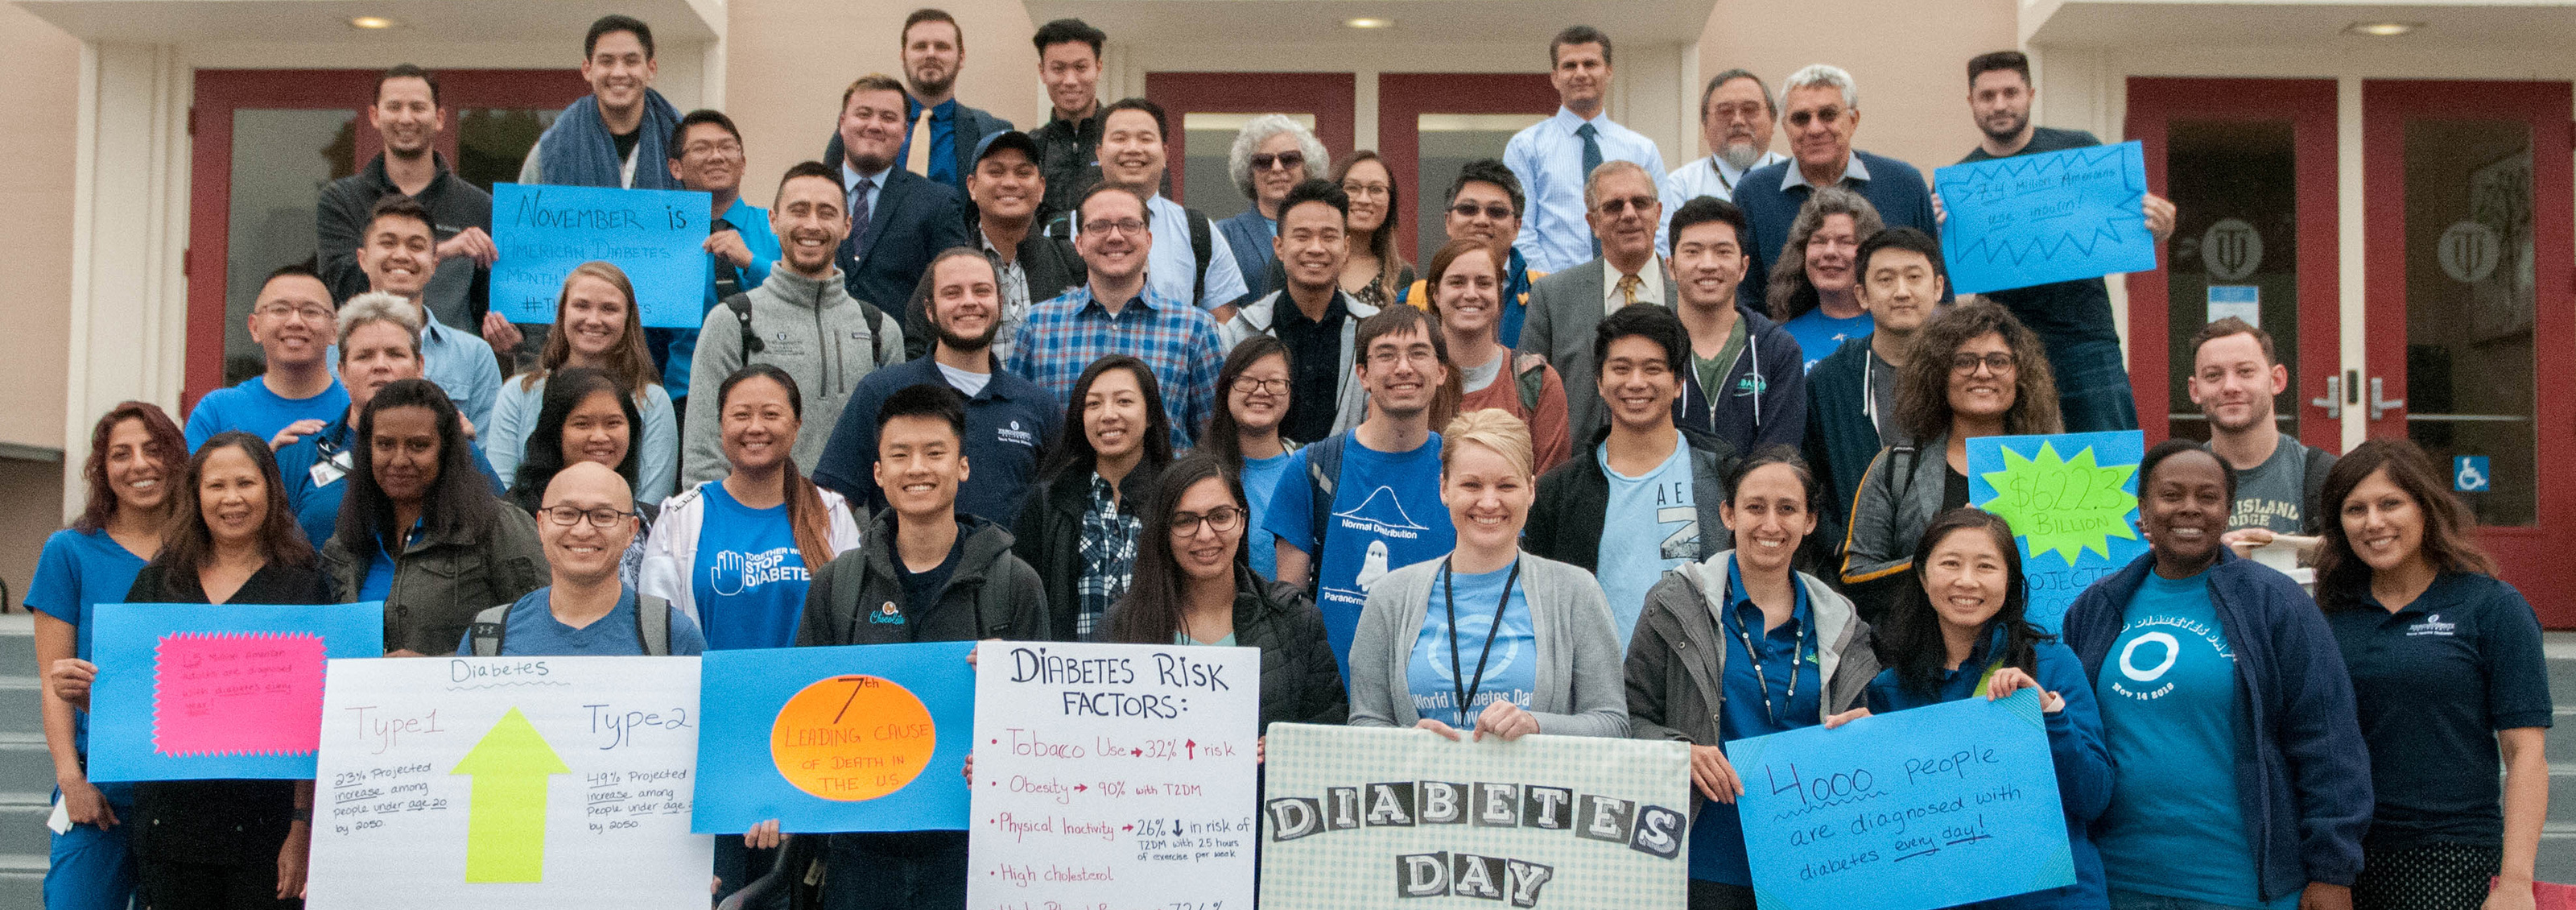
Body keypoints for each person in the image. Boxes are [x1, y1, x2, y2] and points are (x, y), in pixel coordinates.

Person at [2062, 440, 2370, 910]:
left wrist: (2333, 870)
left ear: (2227, 512)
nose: (2189, 508)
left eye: (2208, 497)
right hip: (2118, 880)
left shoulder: (2274, 604)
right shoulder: (2096, 607)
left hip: (2241, 886)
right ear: (2142, 509)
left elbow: (2327, 741)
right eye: (2171, 495)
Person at [781, 385, 1047, 910]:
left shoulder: (1014, 585)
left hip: (976, 852)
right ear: (878, 473)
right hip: (859, 853)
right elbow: (800, 715)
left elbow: (1042, 733)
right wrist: (772, 799)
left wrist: (1006, 740)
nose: (917, 468)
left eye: (934, 453)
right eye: (899, 455)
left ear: (963, 467)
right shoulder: (838, 585)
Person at [48, 432, 329, 910]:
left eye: (246, 483)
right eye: (216, 486)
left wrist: (301, 826)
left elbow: (313, 724)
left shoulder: (305, 585)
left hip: (267, 827)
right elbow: (136, 710)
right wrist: (82, 695)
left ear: (271, 490)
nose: (232, 499)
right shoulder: (160, 581)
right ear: (195, 496)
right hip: (169, 827)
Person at [1625, 449, 1878, 910]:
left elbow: (1866, 736)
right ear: (1728, 514)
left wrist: (1863, 731)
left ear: (1810, 521)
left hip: (1810, 857)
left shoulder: (1843, 625)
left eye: (1788, 509)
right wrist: (1679, 750)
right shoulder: (1673, 604)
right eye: (1755, 507)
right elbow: (1630, 718)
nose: (1770, 525)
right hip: (1701, 858)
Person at [2312, 439, 2549, 910]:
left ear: (2426, 507)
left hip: (2452, 856)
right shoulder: (2325, 617)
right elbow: (2312, 747)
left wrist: (2516, 882)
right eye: (2355, 509)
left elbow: (2526, 753)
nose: (2373, 522)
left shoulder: (2492, 607)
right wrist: (2323, 869)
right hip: (2345, 861)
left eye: (2390, 503)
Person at [1864, 508, 2112, 910]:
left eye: (1986, 566)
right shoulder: (1890, 689)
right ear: (1924, 578)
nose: (1967, 581)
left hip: (2053, 898)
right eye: (1950, 564)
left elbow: (2094, 798)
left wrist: (2049, 713)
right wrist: (1859, 748)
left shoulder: (2051, 665)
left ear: (2010, 582)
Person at [1344, 407, 1625, 740]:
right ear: (1445, 489)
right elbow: (1364, 723)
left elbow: (1613, 724)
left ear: (1531, 490)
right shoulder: (1390, 597)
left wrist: (1537, 725)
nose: (1489, 502)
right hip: (1419, 789)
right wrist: (1406, 740)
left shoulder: (1576, 592)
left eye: (1506, 486)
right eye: (1472, 485)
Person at [1949, 50, 2174, 434]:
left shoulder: (2079, 150)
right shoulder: (1958, 183)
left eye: (2010, 92)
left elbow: (2128, 227)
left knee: (2109, 466)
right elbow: (1945, 276)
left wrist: (2159, 226)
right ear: (1971, 102)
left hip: (2085, 340)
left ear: (2031, 94)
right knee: (2021, 468)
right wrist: (1944, 230)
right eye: (1987, 96)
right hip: (2006, 347)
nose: (2000, 105)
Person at [33, 403, 183, 910]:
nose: (140, 464)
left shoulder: (204, 549)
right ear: (102, 468)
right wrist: (70, 779)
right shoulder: (70, 551)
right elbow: (53, 683)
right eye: (122, 454)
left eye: (154, 449)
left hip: (187, 787)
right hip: (100, 790)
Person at [683, 161, 906, 486]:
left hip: (853, 531)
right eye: (799, 211)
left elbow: (896, 447)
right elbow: (704, 454)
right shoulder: (732, 322)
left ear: (847, 226)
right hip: (757, 527)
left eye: (826, 212)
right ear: (773, 220)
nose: (812, 225)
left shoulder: (881, 331)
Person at [1265, 305, 1458, 677]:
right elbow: (1286, 613)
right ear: (1363, 375)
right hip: (1332, 700)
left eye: (1418, 353)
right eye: (1386, 355)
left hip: (1436, 697)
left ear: (1442, 371)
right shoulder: (1312, 469)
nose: (1404, 367)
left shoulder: (1466, 473)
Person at [1525, 304, 1734, 643]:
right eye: (1620, 368)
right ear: (1599, 381)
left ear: (1679, 381)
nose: (1636, 383)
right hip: (1596, 687)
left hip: (1698, 684)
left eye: (1652, 369)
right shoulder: (1559, 493)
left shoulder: (1723, 476)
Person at [1840, 301, 2060, 619]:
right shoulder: (1896, 466)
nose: (1982, 372)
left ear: (2020, 374)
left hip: (2028, 654)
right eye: (1965, 361)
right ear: (1938, 374)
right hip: (1921, 658)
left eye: (1998, 361)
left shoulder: (2059, 469)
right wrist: (1940, 552)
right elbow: (1855, 580)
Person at [815, 248, 1061, 527]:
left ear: (1000, 304)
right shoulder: (882, 391)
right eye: (952, 293)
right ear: (930, 311)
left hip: (1011, 570)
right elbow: (833, 502)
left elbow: (1056, 515)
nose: (969, 302)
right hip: (900, 570)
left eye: (981, 291)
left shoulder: (1038, 406)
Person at [1105, 453, 1346, 734]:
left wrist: (1287, 749)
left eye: (1221, 517)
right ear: (1164, 530)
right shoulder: (1122, 625)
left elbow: (1331, 733)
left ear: (1243, 521)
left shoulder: (1295, 618)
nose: (1205, 535)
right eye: (1185, 521)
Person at [320, 378, 546, 656]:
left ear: (446, 450)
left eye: (418, 446)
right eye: (385, 444)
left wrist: (437, 668)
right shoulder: (350, 533)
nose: (399, 460)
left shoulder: (496, 525)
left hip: (467, 697)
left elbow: (542, 630)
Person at [646, 364, 862, 650]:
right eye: (741, 415)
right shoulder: (681, 515)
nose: (756, 427)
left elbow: (851, 625)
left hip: (807, 693)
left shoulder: (830, 511)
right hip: (708, 691)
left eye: (771, 414)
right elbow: (657, 630)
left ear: (796, 426)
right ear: (721, 425)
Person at [280, 292, 506, 552]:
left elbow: (502, 538)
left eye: (395, 354)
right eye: (364, 356)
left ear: (419, 366)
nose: (380, 366)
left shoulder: (457, 449)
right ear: (342, 371)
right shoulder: (300, 453)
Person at [1006, 183, 1225, 449]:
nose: (1115, 236)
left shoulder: (1195, 328)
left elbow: (1213, 441)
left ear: (1149, 240)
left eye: (1129, 225)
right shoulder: (1039, 326)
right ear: (1079, 243)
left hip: (1165, 490)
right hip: (1064, 489)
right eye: (1099, 226)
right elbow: (1016, 434)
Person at [1731, 64, 1936, 312]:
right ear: (1785, 126)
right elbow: (1745, 299)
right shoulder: (1754, 193)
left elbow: (1937, 292)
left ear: (1853, 121)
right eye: (1801, 118)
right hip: (1786, 347)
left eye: (1828, 115)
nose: (1815, 129)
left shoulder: (1904, 185)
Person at [463, 461, 708, 656]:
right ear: (541, 525)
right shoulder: (490, 637)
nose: (583, 531)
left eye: (603, 516)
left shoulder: (670, 636)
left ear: (631, 531)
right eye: (566, 514)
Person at [316, 64, 494, 331]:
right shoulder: (341, 200)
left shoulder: (478, 205)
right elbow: (343, 284)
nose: (406, 118)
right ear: (375, 116)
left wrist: (505, 332)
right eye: (395, 107)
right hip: (366, 356)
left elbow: (487, 304)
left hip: (450, 364)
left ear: (440, 118)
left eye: (418, 108)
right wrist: (442, 250)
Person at [1013, 356, 1175, 640]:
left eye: (1124, 401)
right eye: (1093, 404)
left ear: (1150, 415)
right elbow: (1019, 599)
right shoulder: (1049, 500)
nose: (1108, 414)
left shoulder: (1176, 497)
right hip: (1068, 677)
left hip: (1160, 675)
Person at [487, 262, 678, 503]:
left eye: (609, 309)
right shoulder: (518, 392)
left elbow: (652, 502)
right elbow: (501, 494)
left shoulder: (652, 401)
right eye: (581, 306)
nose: (593, 320)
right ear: (562, 312)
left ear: (629, 317)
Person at [1804, 227, 1942, 551]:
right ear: (1862, 294)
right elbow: (1805, 478)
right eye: (1885, 279)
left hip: (1954, 561)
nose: (1902, 291)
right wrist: (1840, 545)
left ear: (1938, 287)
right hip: (1861, 570)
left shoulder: (1968, 372)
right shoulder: (1830, 380)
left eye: (1914, 277)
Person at [896, 130, 1084, 363]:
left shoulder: (1073, 262)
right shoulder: (946, 270)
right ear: (972, 186)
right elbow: (918, 349)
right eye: (995, 172)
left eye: (1024, 173)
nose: (1010, 183)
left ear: (1041, 187)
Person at [1220, 180, 1377, 445]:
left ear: (1346, 247)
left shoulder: (1372, 330)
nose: (1316, 248)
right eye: (1302, 236)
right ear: (1279, 247)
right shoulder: (1241, 332)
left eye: (1328, 237)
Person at [1519, 159, 1670, 436]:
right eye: (1614, 206)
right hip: (1579, 468)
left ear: (1658, 213)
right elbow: (1527, 398)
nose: (1629, 214)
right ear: (1593, 222)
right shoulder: (1552, 297)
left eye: (1640, 203)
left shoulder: (1686, 291)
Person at [1505, 26, 1668, 273]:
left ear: (1609, 71)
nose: (1580, 73)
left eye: (1590, 64)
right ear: (1554, 77)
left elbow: (1661, 225)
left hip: (1632, 291)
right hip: (1555, 292)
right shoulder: (1526, 147)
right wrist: (1549, 288)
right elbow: (1520, 230)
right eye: (1570, 66)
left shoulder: (1641, 149)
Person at [344, 196, 504, 434]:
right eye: (388, 243)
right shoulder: (331, 353)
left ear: (434, 263)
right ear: (363, 259)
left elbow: (486, 454)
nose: (401, 255)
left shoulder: (474, 356)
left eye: (416, 246)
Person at [654, 110, 780, 404]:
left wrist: (751, 262)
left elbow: (807, 292)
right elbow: (649, 334)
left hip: (771, 393)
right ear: (676, 168)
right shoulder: (660, 243)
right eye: (701, 148)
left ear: (743, 162)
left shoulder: (776, 227)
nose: (716, 156)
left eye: (727, 147)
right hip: (686, 394)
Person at [819, 10, 1013, 197]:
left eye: (942, 47)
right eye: (920, 46)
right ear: (903, 57)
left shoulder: (989, 131)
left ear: (961, 58)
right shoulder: (860, 130)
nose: (931, 54)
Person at [1081, 97, 1249, 314]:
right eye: (1120, 138)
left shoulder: (1198, 231)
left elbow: (1223, 322)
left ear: (1165, 154)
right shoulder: (1066, 230)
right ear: (1099, 153)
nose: (1133, 149)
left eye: (1145, 139)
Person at [831, 72, 973, 318]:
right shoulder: (811, 193)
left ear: (905, 131)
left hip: (903, 352)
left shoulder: (937, 203)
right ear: (842, 123)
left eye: (888, 117)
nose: (874, 125)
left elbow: (952, 290)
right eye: (863, 114)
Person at [1669, 196, 1805, 453]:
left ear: (1743, 267)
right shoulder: (1651, 346)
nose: (1708, 265)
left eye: (1723, 251)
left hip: (1756, 493)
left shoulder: (1777, 350)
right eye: (1692, 251)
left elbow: (1779, 457)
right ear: (1671, 267)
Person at [2192, 317, 2337, 557]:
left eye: (2245, 372)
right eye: (2213, 375)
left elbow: (2354, 555)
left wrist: (2271, 548)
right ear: (2195, 390)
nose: (2230, 386)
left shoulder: (2321, 473)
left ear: (2277, 380)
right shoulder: (2177, 479)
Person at [1422, 238, 1571, 472]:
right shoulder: (1409, 376)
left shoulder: (1537, 382)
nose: (1471, 294)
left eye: (1483, 283)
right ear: (1435, 294)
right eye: (1457, 282)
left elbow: (1549, 489)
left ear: (1499, 293)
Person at [503, 368, 653, 587]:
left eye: (613, 423)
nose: (600, 437)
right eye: (582, 424)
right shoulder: (515, 518)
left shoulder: (653, 523)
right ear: (556, 432)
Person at [185, 264, 349, 450]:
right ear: (254, 328)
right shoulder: (217, 412)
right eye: (280, 310)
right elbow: (196, 479)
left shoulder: (357, 408)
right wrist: (266, 461)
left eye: (311, 311)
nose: (295, 322)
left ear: (335, 330)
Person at [516, 15, 682, 191]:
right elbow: (521, 216)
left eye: (631, 61)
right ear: (587, 70)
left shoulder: (685, 146)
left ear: (651, 69)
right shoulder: (549, 152)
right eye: (607, 61)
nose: (619, 73)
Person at [1399, 159, 1548, 346]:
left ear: (1517, 227)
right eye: (1468, 209)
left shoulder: (1546, 295)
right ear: (1448, 222)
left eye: (1497, 211)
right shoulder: (1414, 299)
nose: (1481, 220)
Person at [1204, 336, 1298, 581]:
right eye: (1247, 381)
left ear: (1290, 392)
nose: (1260, 391)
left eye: (1275, 382)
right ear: (1226, 388)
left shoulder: (1307, 467)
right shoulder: (1200, 471)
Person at [1764, 187, 1884, 370]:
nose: (1830, 252)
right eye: (1819, 241)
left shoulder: (1892, 331)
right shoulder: (1781, 340)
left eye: (1845, 242)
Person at [1216, 114, 1331, 305]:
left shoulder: (1330, 230)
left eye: (1289, 159)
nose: (1276, 168)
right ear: (1249, 173)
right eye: (1263, 161)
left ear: (1308, 168)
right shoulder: (1225, 235)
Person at [1662, 68, 1789, 209]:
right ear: (1705, 126)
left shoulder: (1795, 178)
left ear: (1773, 120)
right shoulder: (1680, 187)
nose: (1738, 121)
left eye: (1749, 110)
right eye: (1725, 111)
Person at [1027, 18, 1108, 226]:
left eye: (1081, 67)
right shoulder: (1029, 147)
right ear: (1042, 72)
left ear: (1098, 68)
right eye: (1058, 68)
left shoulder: (1123, 141)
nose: (1070, 80)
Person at [1335, 151, 1414, 310]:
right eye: (1352, 188)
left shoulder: (1402, 274)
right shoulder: (1309, 260)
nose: (1364, 199)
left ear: (1390, 201)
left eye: (1376, 189)